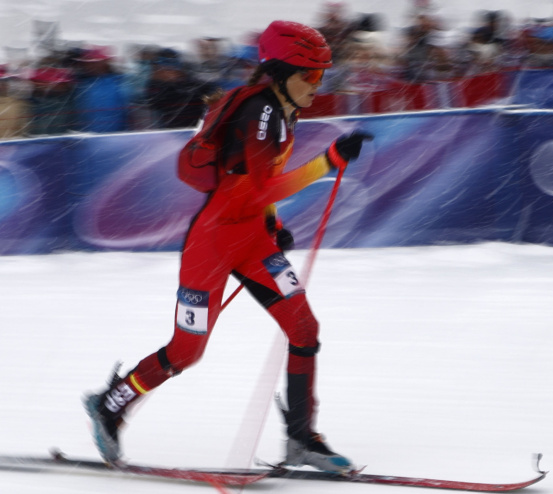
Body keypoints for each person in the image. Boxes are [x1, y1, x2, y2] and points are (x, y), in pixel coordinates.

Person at [83, 20, 372, 474]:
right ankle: (111, 404)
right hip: (213, 245)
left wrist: (273, 227)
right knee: (186, 352)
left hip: (252, 239)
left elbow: (255, 189)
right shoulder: (259, 114)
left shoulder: (280, 110)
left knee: (304, 329)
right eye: (311, 75)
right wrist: (330, 160)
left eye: (323, 76)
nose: (318, 86)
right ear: (280, 72)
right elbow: (259, 190)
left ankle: (301, 438)